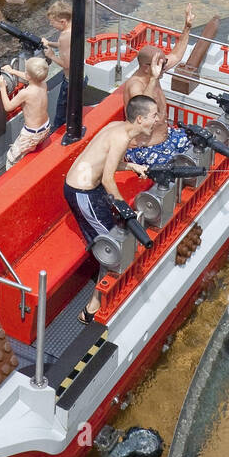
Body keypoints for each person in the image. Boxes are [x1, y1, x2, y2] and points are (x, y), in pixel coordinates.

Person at [63, 93, 159, 321]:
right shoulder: (121, 138)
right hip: (83, 193)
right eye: (153, 116)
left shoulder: (119, 127)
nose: (157, 120)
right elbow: (107, 179)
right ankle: (91, 308)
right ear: (140, 120)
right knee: (113, 245)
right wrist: (127, 211)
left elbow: (108, 163)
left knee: (115, 234)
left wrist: (131, 166)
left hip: (90, 188)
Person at [122, 4, 195, 166]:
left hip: (166, 136)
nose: (165, 67)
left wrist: (187, 27)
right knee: (176, 169)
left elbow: (176, 54)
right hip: (145, 147)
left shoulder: (155, 71)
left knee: (199, 142)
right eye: (162, 65)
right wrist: (155, 77)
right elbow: (143, 105)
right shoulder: (135, 85)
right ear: (147, 67)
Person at [0, 56, 51, 167]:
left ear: (28, 75)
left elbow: (8, 107)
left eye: (26, 72)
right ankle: (31, 148)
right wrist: (12, 71)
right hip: (45, 128)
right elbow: (30, 77)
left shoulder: (25, 93)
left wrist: (2, 87)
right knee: (31, 148)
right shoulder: (43, 84)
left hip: (31, 134)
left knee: (11, 159)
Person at [42, 0, 72, 129]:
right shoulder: (73, 29)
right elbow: (64, 46)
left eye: (52, 23)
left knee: (61, 113)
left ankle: (59, 134)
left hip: (69, 81)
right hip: (80, 76)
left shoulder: (65, 36)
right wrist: (49, 43)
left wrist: (51, 56)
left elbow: (67, 64)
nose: (51, 25)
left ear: (62, 21)